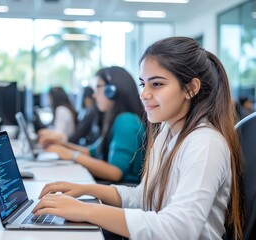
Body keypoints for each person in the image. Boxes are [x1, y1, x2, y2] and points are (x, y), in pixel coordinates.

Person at [32, 37, 244, 239]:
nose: (144, 94)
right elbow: (143, 198)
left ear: (190, 88)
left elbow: (180, 230)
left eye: (157, 84)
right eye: (143, 84)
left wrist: (87, 211)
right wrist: (85, 189)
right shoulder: (166, 134)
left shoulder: (204, 144)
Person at [38, 66, 146, 184]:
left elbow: (115, 173)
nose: (94, 95)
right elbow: (92, 152)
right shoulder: (117, 119)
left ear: (112, 91)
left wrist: (71, 155)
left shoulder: (126, 121)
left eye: (97, 88)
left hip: (124, 193)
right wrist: (63, 145)